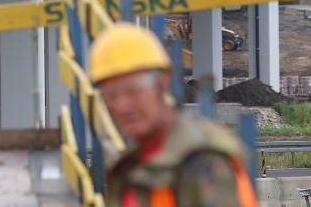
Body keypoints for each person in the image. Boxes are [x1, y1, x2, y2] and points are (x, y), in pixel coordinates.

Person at [89, 23, 257, 207]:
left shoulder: (200, 162)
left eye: (132, 91)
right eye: (111, 95)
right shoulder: (131, 165)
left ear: (162, 83)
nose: (122, 106)